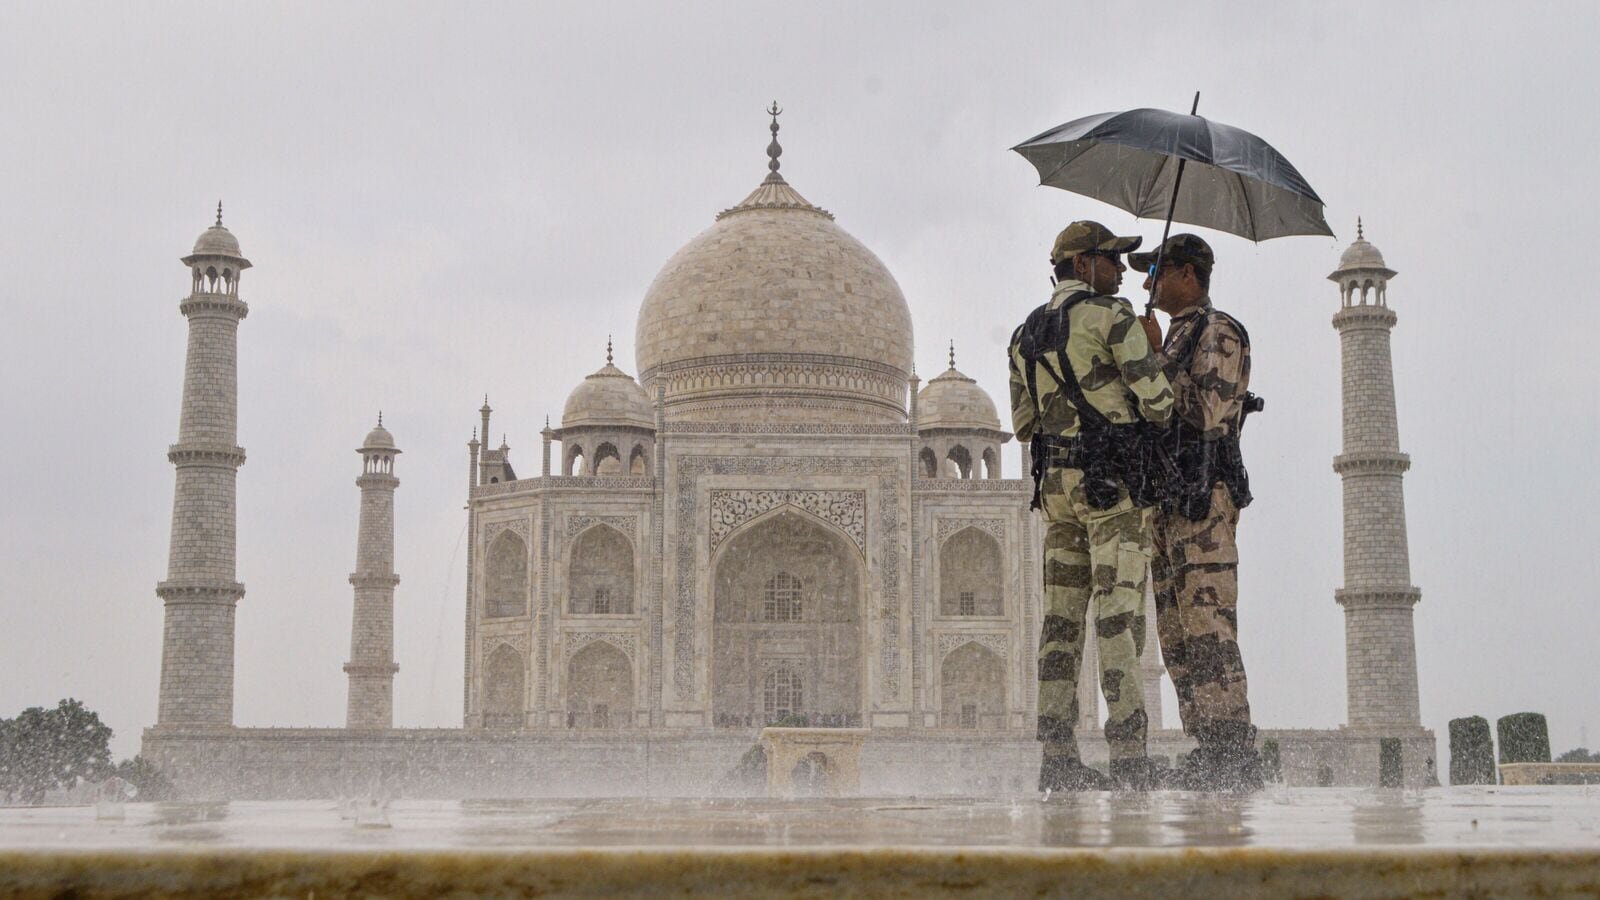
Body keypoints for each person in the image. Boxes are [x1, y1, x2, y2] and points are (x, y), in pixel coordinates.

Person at [1008, 220, 1175, 792]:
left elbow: (1024, 426)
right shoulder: (1114, 317)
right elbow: (1158, 406)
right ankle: (1129, 753)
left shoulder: (1024, 334)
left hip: (1056, 492)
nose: (1122, 269)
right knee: (1118, 619)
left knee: (1059, 623)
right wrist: (1150, 351)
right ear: (1081, 264)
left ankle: (1056, 756)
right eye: (1110, 258)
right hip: (1111, 492)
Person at [1132, 233, 1263, 792]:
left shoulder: (1219, 332)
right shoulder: (1182, 337)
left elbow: (1206, 413)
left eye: (1157, 270)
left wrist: (1154, 359)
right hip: (1166, 499)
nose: (1148, 283)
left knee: (1208, 621)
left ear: (1187, 274)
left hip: (1202, 495)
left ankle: (1233, 749)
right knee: (1177, 630)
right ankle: (1206, 746)